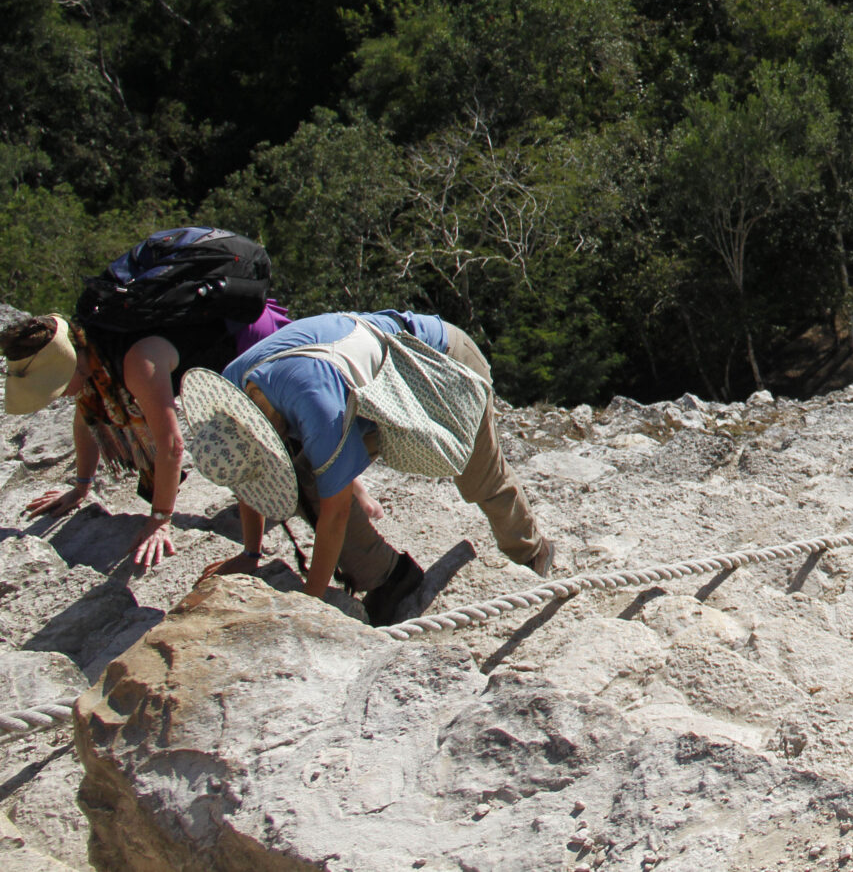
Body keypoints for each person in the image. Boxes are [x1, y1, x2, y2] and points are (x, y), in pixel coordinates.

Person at [187, 310, 554, 626]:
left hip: (441, 365)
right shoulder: (233, 389)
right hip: (378, 387)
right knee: (307, 480)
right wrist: (250, 556)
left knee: (478, 481)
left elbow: (336, 511)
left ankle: (531, 553)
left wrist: (309, 604)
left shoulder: (313, 402)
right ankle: (390, 578)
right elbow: (249, 474)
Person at [4, 228, 284, 568]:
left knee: (292, 454)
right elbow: (86, 419)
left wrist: (160, 519)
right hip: (224, 334)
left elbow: (171, 447)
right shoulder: (91, 341)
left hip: (252, 340)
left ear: (71, 367)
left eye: (57, 385)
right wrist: (81, 487)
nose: (58, 395)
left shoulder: (136, 364)